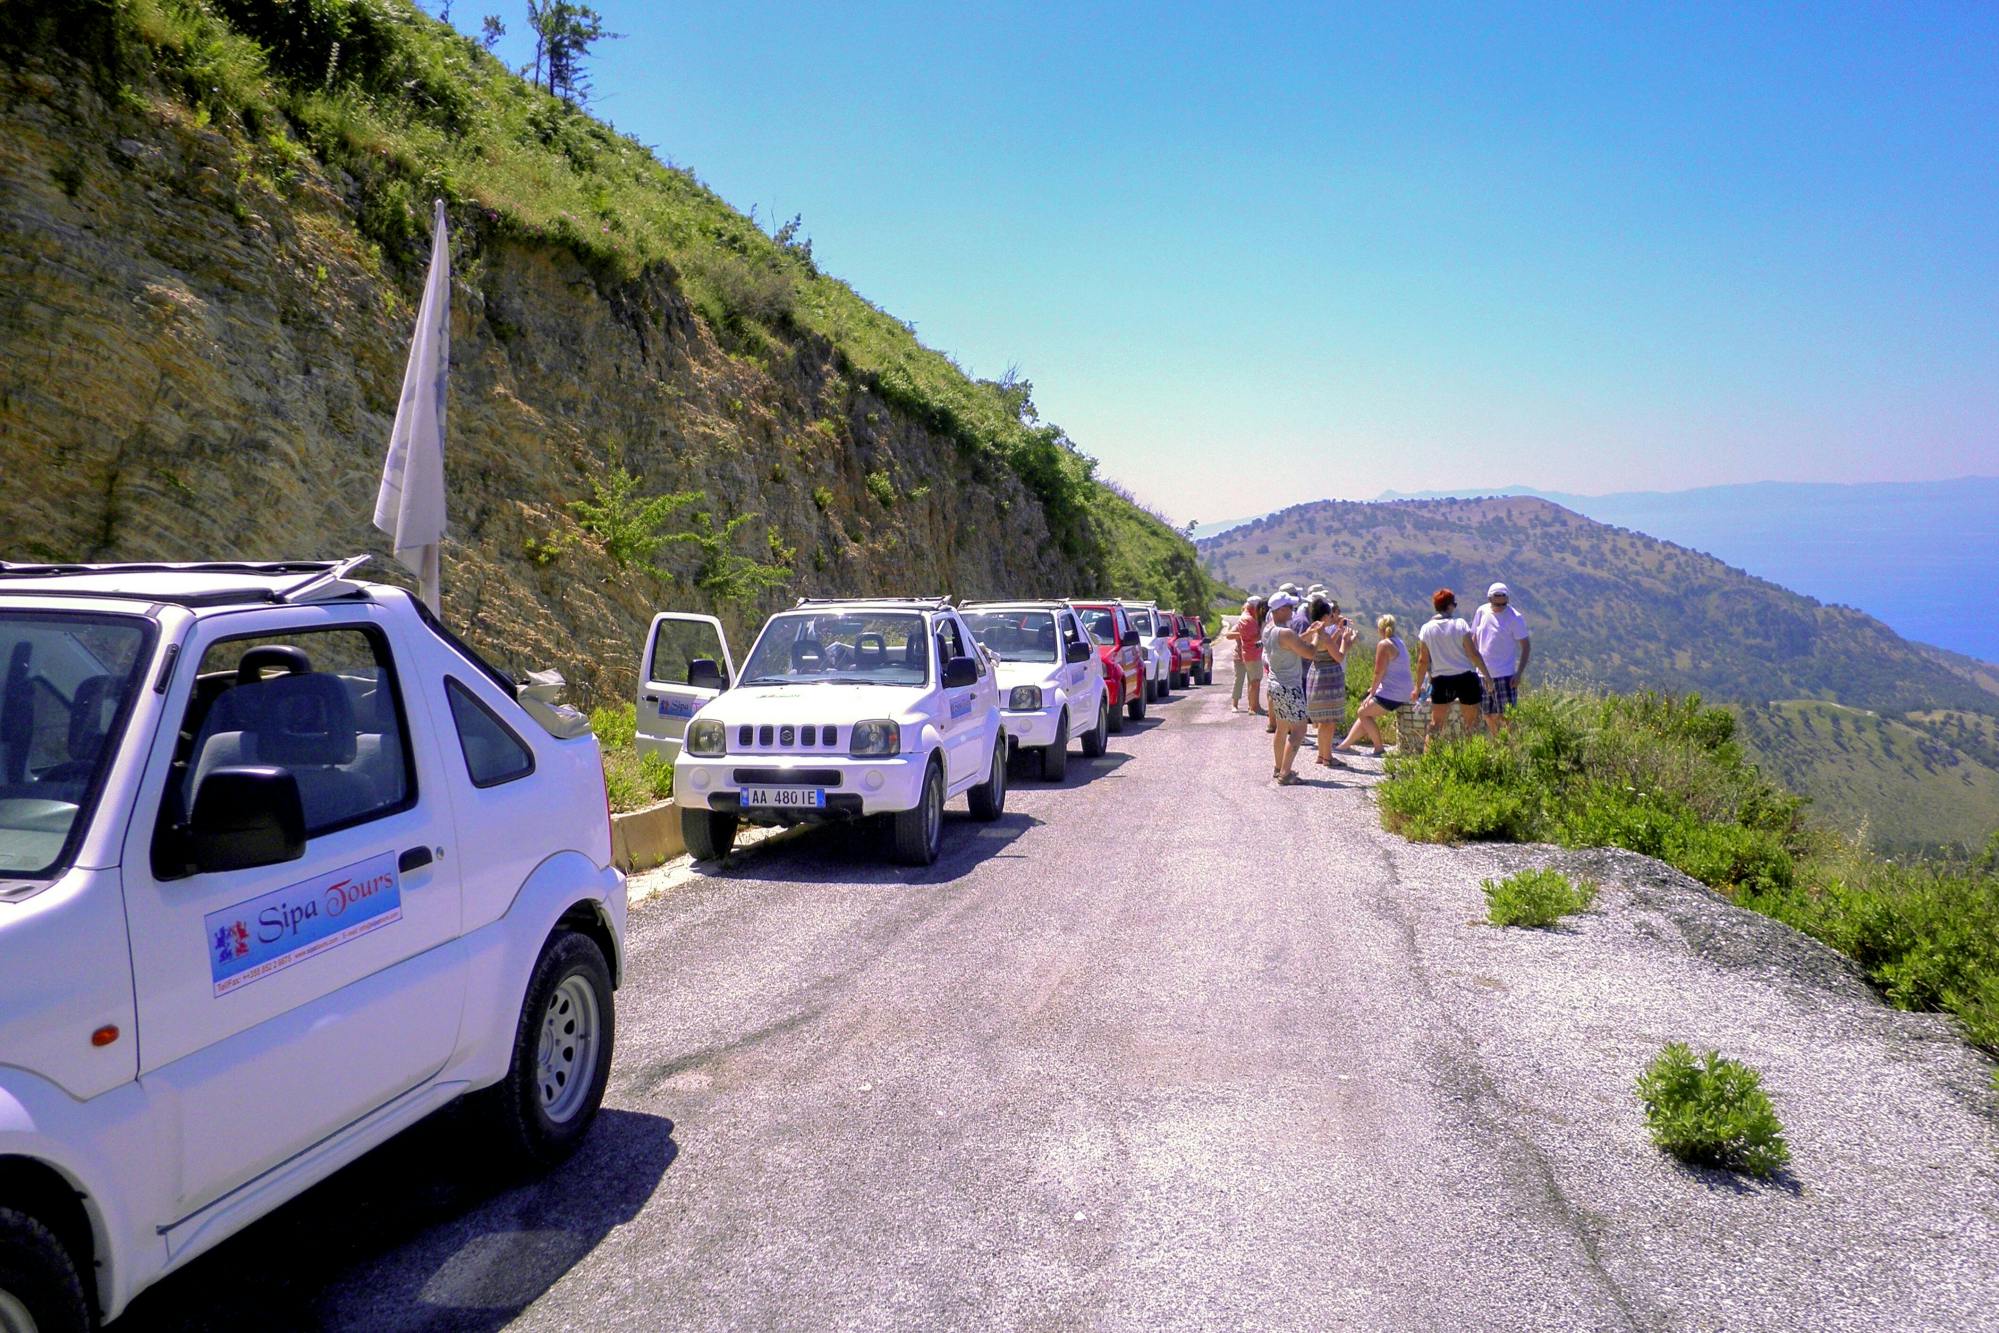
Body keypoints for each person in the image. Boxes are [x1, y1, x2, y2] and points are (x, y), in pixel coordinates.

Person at [1412, 588, 1494, 745]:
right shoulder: (1460, 625)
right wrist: (1488, 677)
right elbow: (1473, 654)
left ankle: (1428, 760)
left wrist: (1417, 687)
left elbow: (1422, 661)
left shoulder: (1426, 629)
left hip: (1441, 679)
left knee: (1436, 724)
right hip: (1465, 678)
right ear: (1449, 606)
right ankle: (1471, 759)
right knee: (1472, 725)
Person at [1335, 614, 1412, 756]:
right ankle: (1344, 745)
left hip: (1393, 693)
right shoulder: (1399, 642)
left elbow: (1378, 672)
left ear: (1379, 629)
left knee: (1362, 712)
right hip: (1404, 690)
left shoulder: (1384, 644)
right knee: (1365, 712)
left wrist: (1371, 693)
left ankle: (1378, 748)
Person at [1261, 591, 1316, 782]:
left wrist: (1308, 634)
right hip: (1290, 686)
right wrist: (1318, 638)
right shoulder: (1286, 633)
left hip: (1276, 683)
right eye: (1290, 607)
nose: (1293, 611)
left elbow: (1293, 643)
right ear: (1281, 610)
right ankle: (1285, 773)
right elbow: (1309, 652)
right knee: (1300, 730)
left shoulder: (1268, 629)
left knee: (1282, 728)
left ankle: (1278, 768)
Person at [1303, 596, 1357, 766]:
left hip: (1315, 674)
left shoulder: (1316, 631)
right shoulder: (1324, 636)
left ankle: (1321, 755)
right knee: (1329, 722)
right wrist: (1347, 643)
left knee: (1322, 721)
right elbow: (1339, 656)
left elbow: (1320, 645)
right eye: (1331, 616)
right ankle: (1328, 758)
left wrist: (1337, 632)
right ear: (1325, 617)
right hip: (1328, 679)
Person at [1472, 582, 1531, 735]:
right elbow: (1474, 637)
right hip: (1483, 675)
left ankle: (1510, 747)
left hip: (1504, 675)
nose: (1499, 607)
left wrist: (1518, 673)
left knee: (1507, 716)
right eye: (1496, 604)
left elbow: (1526, 646)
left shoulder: (1515, 618)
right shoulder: (1481, 611)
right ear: (1489, 599)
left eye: (1503, 604)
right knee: (1487, 714)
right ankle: (1498, 744)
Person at [1230, 597, 1267, 713]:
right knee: (1240, 680)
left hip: (1248, 654)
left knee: (1252, 681)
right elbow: (1229, 635)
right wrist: (1243, 634)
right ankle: (1236, 705)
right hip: (1241, 655)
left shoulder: (1255, 619)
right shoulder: (1247, 620)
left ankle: (1252, 705)